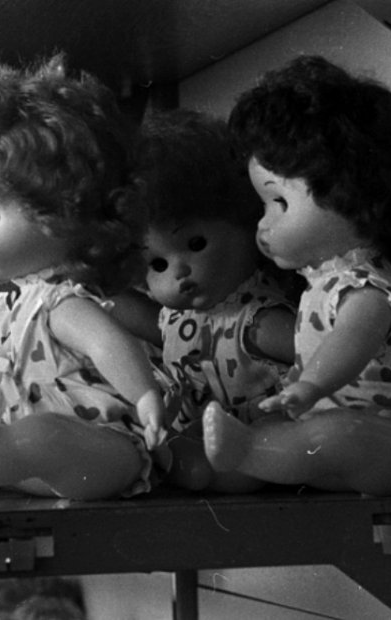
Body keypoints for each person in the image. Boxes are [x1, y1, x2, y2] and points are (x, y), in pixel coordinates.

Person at [0, 56, 171, 500]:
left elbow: (107, 344)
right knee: (8, 443)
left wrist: (144, 396)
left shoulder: (58, 302)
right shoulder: (5, 309)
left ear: (61, 210)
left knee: (42, 437)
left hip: (102, 446)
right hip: (28, 453)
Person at [205, 55, 391, 495]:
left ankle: (250, 455)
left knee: (336, 438)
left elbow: (353, 338)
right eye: (264, 205)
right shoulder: (319, 283)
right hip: (327, 415)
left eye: (279, 203)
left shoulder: (365, 287)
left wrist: (311, 384)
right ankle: (243, 458)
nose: (263, 224)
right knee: (290, 435)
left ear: (351, 193)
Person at [134, 109, 297, 491]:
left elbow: (316, 353)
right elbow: (124, 312)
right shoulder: (174, 320)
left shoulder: (256, 321)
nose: (179, 272)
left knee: (270, 440)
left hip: (265, 438)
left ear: (247, 219)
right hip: (198, 436)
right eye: (157, 263)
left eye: (195, 244)